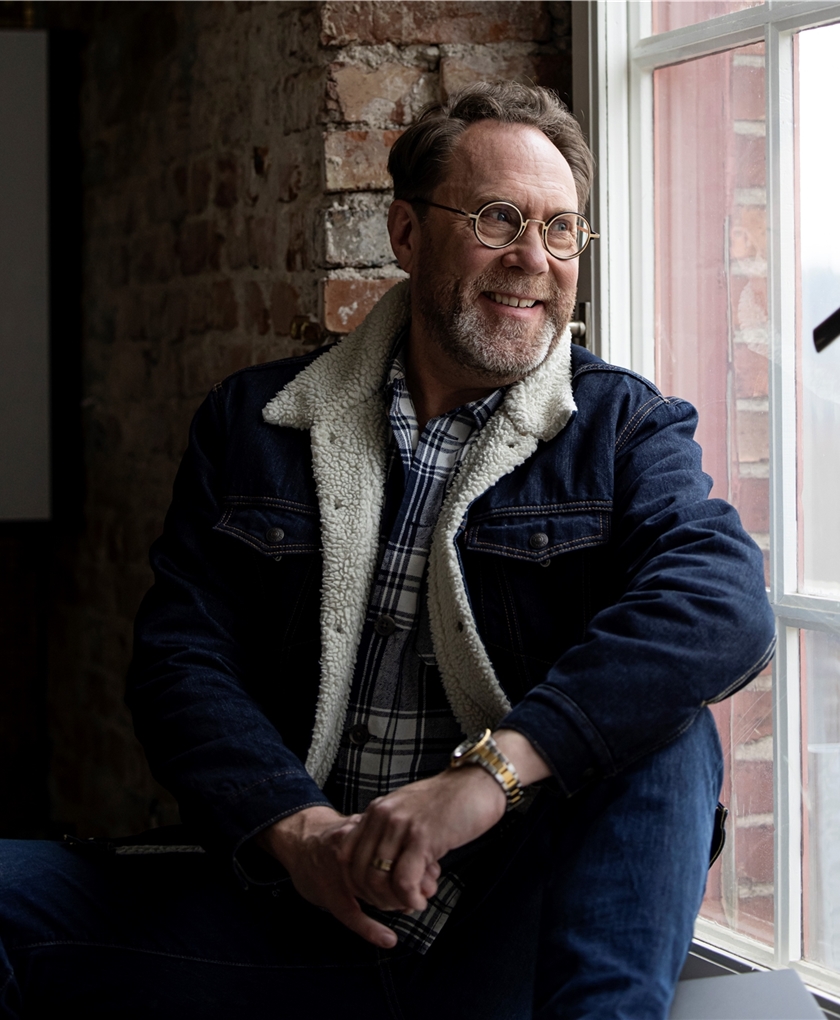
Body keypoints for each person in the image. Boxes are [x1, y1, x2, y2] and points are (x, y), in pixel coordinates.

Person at [0, 81, 775, 1019]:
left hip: (505, 927)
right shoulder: (256, 423)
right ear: (406, 233)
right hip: (298, 910)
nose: (534, 259)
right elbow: (180, 663)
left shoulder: (621, 429)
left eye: (562, 229)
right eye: (498, 219)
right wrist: (298, 834)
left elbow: (722, 604)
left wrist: (488, 776)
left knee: (669, 723)